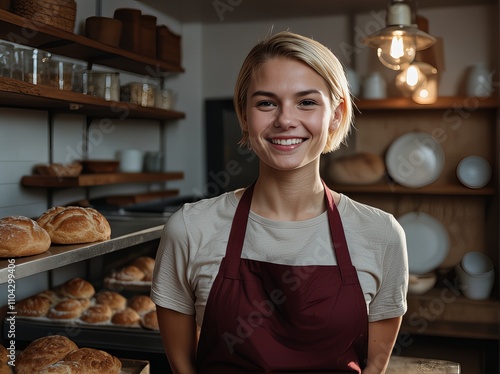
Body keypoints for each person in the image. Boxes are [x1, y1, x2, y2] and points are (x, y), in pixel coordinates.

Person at [151, 30, 408, 373]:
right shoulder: (189, 229)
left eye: (306, 102)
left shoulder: (381, 234)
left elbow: (374, 365)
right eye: (266, 102)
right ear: (244, 115)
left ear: (335, 114)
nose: (285, 119)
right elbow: (183, 367)